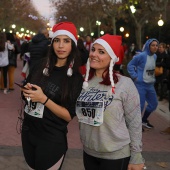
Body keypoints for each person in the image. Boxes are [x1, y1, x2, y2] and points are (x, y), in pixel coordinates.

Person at [76, 34, 145, 170]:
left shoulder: (125, 84)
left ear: (112, 57)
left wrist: (136, 156)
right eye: (93, 49)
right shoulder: (83, 82)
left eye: (101, 52)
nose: (94, 54)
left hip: (116, 155)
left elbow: (135, 122)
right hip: (89, 152)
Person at [20, 22, 83, 170]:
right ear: (52, 43)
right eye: (57, 40)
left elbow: (68, 116)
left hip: (51, 138)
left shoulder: (75, 78)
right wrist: (27, 92)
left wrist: (44, 99)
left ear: (72, 45)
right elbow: (26, 97)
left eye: (66, 41)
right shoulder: (40, 65)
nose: (60, 46)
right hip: (29, 132)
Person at [127, 38, 159, 129]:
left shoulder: (155, 56)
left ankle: (144, 120)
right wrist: (135, 76)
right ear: (148, 46)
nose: (155, 47)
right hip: (140, 84)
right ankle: (135, 124)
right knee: (140, 106)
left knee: (154, 104)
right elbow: (130, 65)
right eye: (153, 45)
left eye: (156, 45)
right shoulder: (141, 56)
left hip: (150, 84)